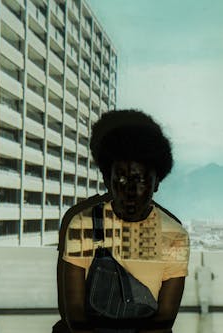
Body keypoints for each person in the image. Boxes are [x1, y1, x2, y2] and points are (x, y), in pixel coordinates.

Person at [54, 110, 190, 333]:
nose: (129, 190)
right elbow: (76, 313)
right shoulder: (83, 224)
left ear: (156, 183)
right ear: (108, 180)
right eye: (121, 178)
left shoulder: (174, 236)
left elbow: (165, 319)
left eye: (140, 179)